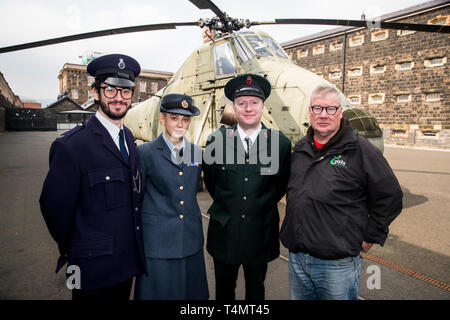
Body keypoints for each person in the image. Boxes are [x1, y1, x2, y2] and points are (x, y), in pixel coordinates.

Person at [280, 85, 403, 300]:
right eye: (318, 109)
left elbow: (390, 196)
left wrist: (371, 236)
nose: (324, 115)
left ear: (340, 112)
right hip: (298, 258)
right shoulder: (301, 148)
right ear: (310, 111)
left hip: (336, 264)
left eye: (331, 109)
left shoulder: (360, 150)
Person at [39, 54, 146, 300]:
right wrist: (79, 247)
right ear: (96, 93)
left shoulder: (128, 138)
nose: (119, 98)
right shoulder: (73, 146)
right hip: (91, 268)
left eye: (126, 91)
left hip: (126, 262)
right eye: (110, 90)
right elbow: (54, 208)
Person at [203, 74, 291, 300]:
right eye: (242, 103)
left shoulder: (279, 143)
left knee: (256, 290)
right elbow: (212, 183)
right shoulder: (217, 141)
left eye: (254, 103)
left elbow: (279, 186)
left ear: (263, 106)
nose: (248, 108)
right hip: (225, 232)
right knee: (223, 291)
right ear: (234, 107)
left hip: (259, 233)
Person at [134, 93, 208, 300]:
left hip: (189, 239)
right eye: (174, 118)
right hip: (157, 242)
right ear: (162, 119)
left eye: (185, 119)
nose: (180, 124)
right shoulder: (145, 152)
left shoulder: (196, 153)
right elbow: (135, 197)